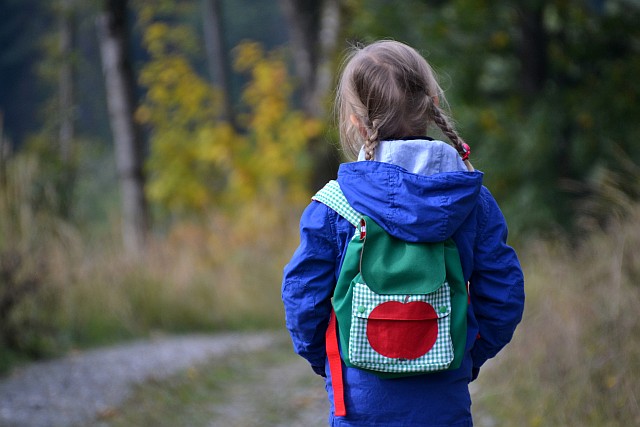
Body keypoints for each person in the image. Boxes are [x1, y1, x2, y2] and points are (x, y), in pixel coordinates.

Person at [281, 40, 525, 427]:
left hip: (359, 405)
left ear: (354, 122)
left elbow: (302, 301)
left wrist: (333, 361)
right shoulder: (471, 201)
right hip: (445, 403)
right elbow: (504, 298)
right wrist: (462, 355)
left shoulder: (332, 207)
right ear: (430, 105)